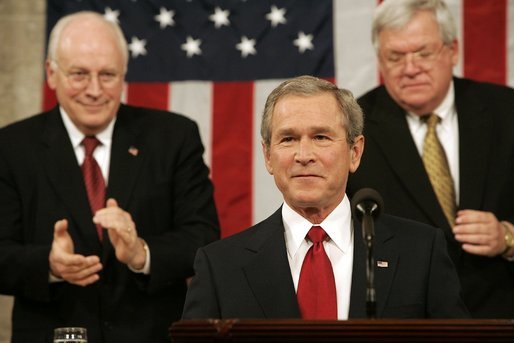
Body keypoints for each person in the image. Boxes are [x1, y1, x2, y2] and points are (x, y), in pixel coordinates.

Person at [0, 11, 219, 343]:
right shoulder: (12, 147)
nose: (94, 89)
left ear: (124, 75)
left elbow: (204, 239)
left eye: (107, 74)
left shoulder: (173, 137)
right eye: (79, 74)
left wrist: (141, 252)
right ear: (51, 73)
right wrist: (48, 263)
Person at [182, 75, 468, 320]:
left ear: (354, 152)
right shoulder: (220, 267)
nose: (304, 156)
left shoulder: (421, 251)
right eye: (288, 139)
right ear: (268, 156)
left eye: (321, 137)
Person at [346, 0, 514, 318]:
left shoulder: (506, 112)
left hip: (501, 314)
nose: (410, 69)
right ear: (380, 60)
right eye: (395, 57)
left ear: (453, 50)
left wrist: (507, 237)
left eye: (423, 53)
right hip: (403, 321)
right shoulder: (354, 127)